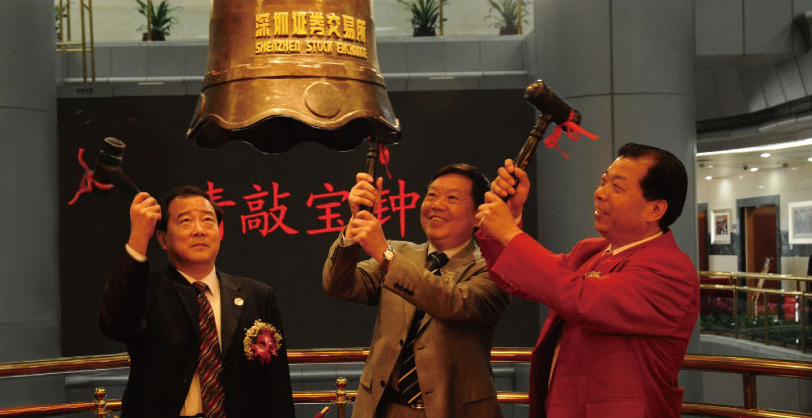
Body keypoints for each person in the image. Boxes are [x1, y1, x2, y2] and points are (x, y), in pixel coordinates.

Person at [475, 143, 699, 418]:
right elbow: (522, 279)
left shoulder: (671, 270)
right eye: (603, 181)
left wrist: (510, 234)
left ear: (655, 210)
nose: (599, 193)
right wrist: (510, 215)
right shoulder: (591, 251)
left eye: (617, 187)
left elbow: (581, 298)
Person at [323, 164, 510, 418]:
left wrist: (387, 257)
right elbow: (338, 285)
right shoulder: (400, 253)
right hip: (384, 409)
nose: (437, 205)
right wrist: (353, 226)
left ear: (479, 215)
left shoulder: (492, 269)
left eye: (452, 198)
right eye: (431, 195)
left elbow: (454, 303)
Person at [98, 186, 295, 418]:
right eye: (186, 221)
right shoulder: (147, 292)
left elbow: (277, 386)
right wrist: (138, 237)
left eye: (208, 220)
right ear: (163, 238)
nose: (199, 230)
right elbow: (114, 324)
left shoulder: (257, 296)